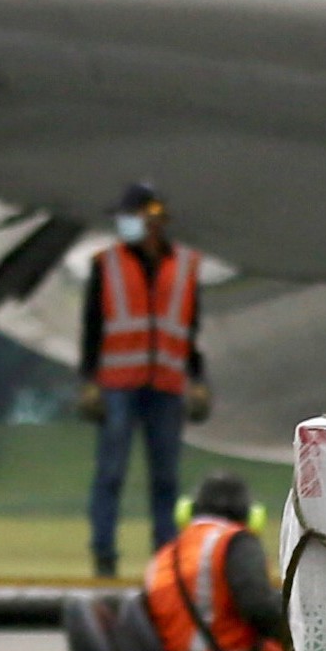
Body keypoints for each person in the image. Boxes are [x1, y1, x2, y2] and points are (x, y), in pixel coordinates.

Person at [77, 183, 208, 575]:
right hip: (118, 382)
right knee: (110, 472)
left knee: (165, 477)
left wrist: (196, 379)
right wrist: (89, 380)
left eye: (132, 216)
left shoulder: (185, 266)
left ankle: (164, 560)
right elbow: (93, 327)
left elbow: (190, 329)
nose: (126, 224)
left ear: (154, 220)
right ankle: (104, 554)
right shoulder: (108, 263)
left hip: (166, 385)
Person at [143, 471, 287, 651]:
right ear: (252, 515)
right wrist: (305, 632)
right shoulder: (235, 542)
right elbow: (261, 609)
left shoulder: (165, 555)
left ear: (187, 510)